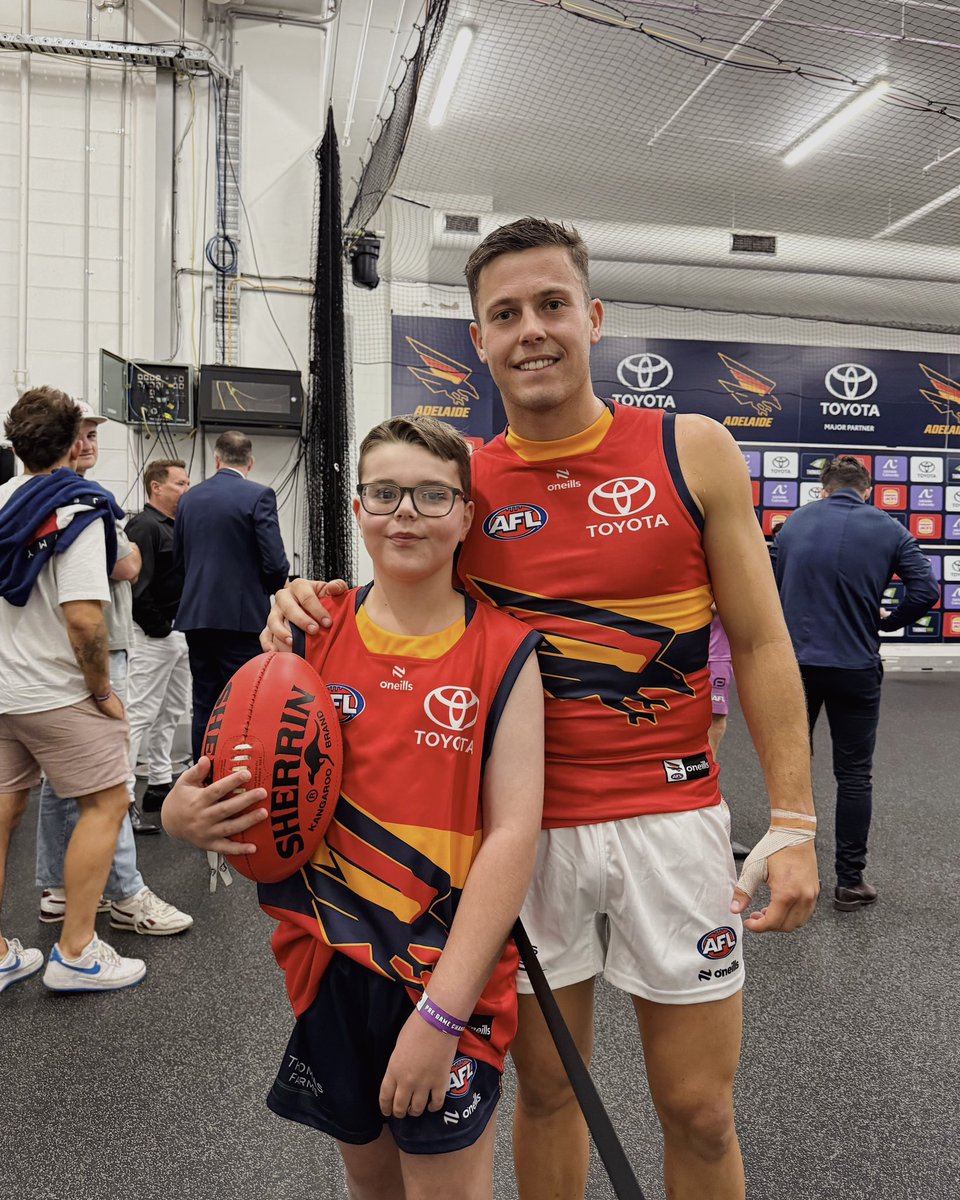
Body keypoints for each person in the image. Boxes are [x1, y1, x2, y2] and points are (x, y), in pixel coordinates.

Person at [264, 218, 821, 1200]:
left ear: (593, 317)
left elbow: (767, 642)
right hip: (520, 842)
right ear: (478, 340)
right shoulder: (465, 486)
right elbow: (395, 605)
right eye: (505, 314)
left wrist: (793, 822)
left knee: (699, 1107)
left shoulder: (694, 450)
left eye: (551, 304)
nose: (532, 330)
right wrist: (299, 604)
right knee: (552, 1092)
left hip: (672, 825)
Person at [163, 414, 544, 1199]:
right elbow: (222, 773)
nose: (406, 511)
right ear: (360, 508)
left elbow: (514, 834)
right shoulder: (308, 632)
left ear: (468, 516)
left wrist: (442, 1016)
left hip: (444, 973)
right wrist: (180, 816)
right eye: (386, 492)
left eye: (433, 495)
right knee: (370, 1185)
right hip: (329, 966)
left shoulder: (505, 651)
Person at [0, 386, 145, 992]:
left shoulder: (2, 499)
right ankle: (77, 951)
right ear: (69, 443)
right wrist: (103, 691)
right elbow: (85, 616)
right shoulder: (78, 509)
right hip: (57, 691)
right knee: (106, 804)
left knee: (4, 810)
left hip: (4, 688)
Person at [35, 403, 193, 937]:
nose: (90, 442)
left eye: (94, 433)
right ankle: (126, 894)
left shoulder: (17, 499)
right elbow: (127, 566)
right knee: (110, 780)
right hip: (98, 650)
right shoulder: (87, 502)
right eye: (82, 434)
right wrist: (102, 687)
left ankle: (59, 888)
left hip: (59, 658)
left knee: (62, 784)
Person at [772, 454, 938, 912]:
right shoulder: (889, 528)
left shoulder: (793, 525)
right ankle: (850, 880)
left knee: (790, 762)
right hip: (855, 665)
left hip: (794, 666)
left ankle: (786, 864)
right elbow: (926, 591)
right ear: (866, 491)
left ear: (823, 489)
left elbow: (763, 585)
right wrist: (885, 623)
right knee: (853, 775)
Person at [173, 429, 289, 762]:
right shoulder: (259, 495)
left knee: (204, 702)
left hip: (196, 617)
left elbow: (179, 559)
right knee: (245, 702)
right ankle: (239, 776)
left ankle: (202, 777)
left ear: (217, 458)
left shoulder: (189, 498)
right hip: (241, 620)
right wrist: (263, 591)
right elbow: (275, 562)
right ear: (250, 462)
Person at [125, 459, 191, 814]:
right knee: (139, 713)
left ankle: (160, 783)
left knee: (172, 711)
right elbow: (137, 584)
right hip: (154, 634)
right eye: (179, 483)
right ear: (157, 487)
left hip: (177, 631)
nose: (186, 489)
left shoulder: (175, 526)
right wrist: (159, 627)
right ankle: (124, 797)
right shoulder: (144, 526)